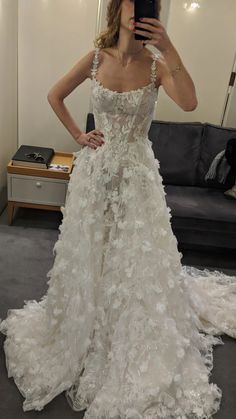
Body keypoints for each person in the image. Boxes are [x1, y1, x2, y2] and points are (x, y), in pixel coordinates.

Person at [1, 0, 236, 417]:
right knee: (92, 249)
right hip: (94, 174)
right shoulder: (96, 57)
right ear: (117, 9)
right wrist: (79, 133)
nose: (137, 7)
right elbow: (55, 94)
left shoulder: (156, 64)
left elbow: (188, 101)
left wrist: (172, 49)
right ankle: (84, 322)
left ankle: (126, 329)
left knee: (132, 256)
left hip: (137, 176)